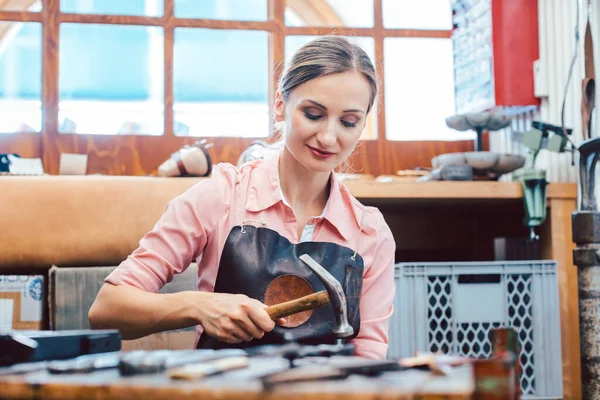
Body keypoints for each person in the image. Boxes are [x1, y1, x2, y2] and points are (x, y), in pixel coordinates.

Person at [88, 35, 396, 360]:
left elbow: (369, 353)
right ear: (280, 104)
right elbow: (107, 310)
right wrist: (200, 306)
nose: (329, 137)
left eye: (349, 122)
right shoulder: (223, 196)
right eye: (313, 114)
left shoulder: (370, 233)